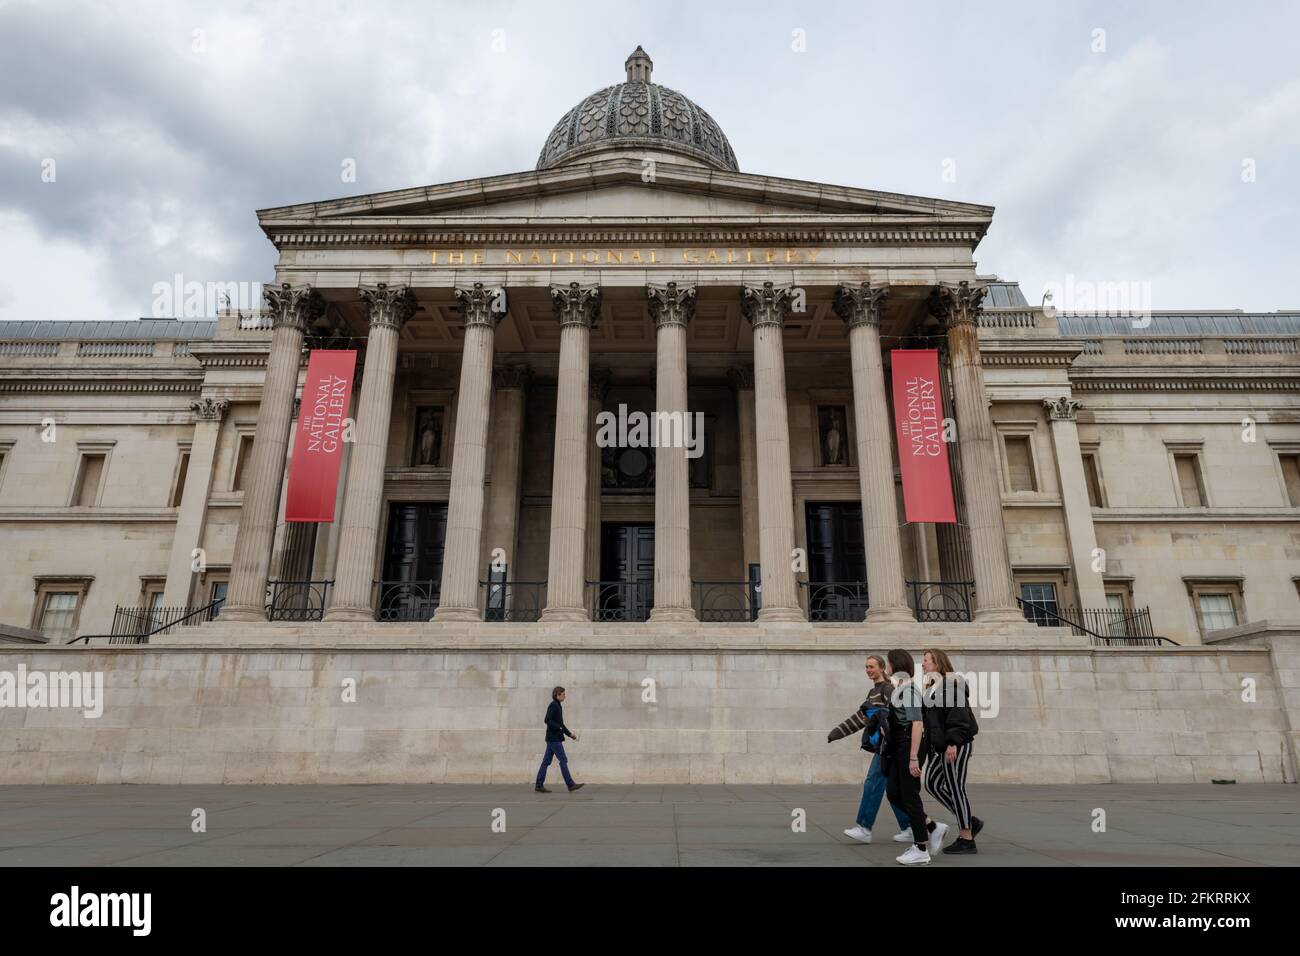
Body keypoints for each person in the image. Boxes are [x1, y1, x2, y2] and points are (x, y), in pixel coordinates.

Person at [827, 655, 910, 844]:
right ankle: (910, 827)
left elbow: (899, 712)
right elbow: (860, 718)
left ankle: (864, 827)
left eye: (872, 666)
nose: (868, 670)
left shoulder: (888, 689)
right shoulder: (873, 692)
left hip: (888, 746)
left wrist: (885, 724)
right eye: (866, 667)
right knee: (891, 789)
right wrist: (836, 734)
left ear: (882, 668)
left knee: (873, 782)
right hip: (887, 746)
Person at [882, 649, 948, 865]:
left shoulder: (909, 690)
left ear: (896, 665)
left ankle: (921, 847)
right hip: (900, 744)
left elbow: (917, 723)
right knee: (894, 793)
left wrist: (913, 758)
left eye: (889, 662)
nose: (886, 666)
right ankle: (932, 827)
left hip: (909, 745)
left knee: (909, 795)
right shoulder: (900, 688)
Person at [921, 649, 983, 854]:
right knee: (931, 783)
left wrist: (952, 743)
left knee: (955, 787)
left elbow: (958, 716)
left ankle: (967, 838)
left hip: (956, 744)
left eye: (926, 661)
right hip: (941, 746)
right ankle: (969, 819)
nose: (923, 664)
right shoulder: (933, 687)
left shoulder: (951, 684)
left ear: (938, 663)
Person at [534, 686, 585, 793]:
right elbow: (547, 719)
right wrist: (559, 728)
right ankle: (570, 784)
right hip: (554, 739)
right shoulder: (553, 705)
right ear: (557, 695)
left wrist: (570, 734)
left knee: (546, 762)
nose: (565, 696)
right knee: (563, 759)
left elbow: (561, 724)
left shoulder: (558, 705)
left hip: (553, 738)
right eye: (563, 694)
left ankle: (539, 785)